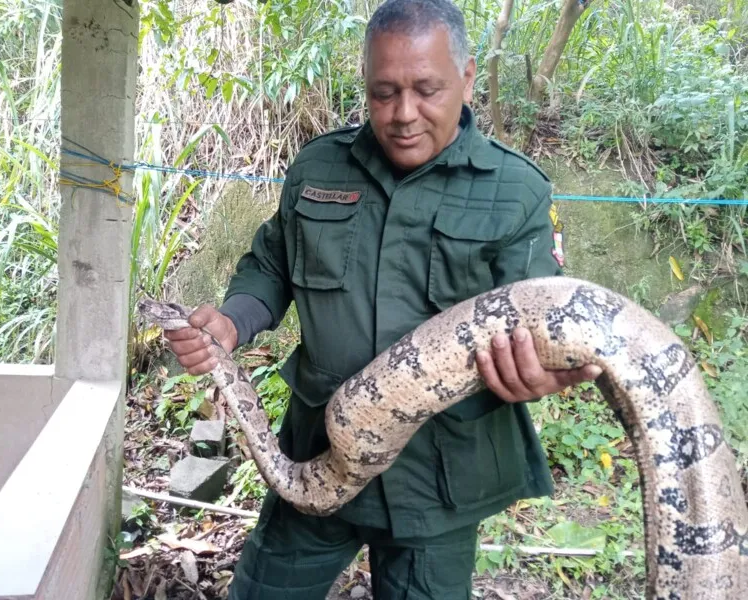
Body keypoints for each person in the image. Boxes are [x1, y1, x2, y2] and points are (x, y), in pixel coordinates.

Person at [163, 0, 601, 597]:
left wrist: (546, 373)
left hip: (439, 483)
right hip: (315, 461)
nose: (403, 114)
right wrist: (233, 322)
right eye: (383, 92)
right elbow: (272, 264)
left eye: (427, 89)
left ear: (467, 77)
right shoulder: (321, 166)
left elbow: (546, 322)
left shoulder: (517, 191)